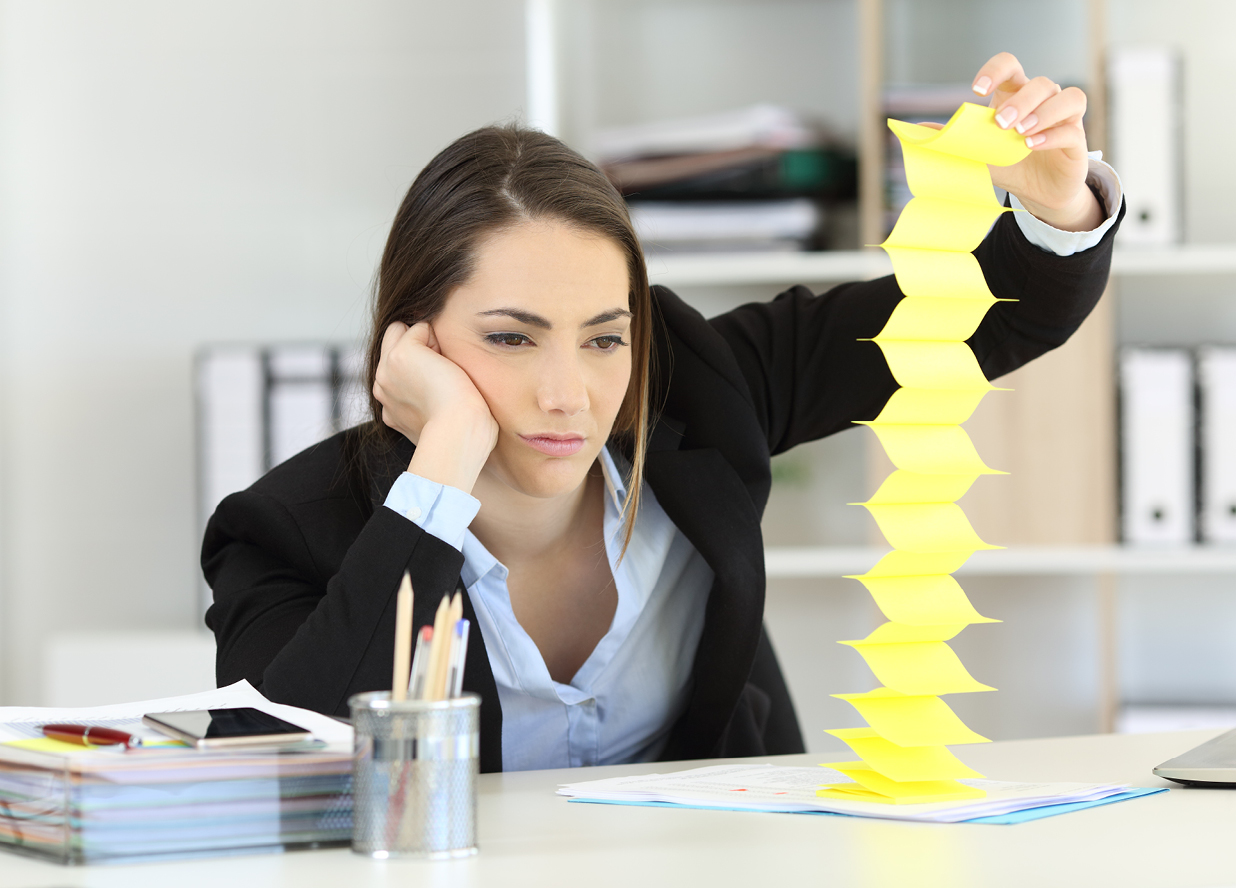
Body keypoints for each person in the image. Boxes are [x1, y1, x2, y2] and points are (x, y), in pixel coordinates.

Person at [203, 53, 1125, 773]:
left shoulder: (704, 388)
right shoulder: (289, 528)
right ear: (416, 341)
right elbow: (266, 763)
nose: (569, 394)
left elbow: (985, 318)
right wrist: (441, 458)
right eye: (513, 339)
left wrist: (1056, 202)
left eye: (604, 337)